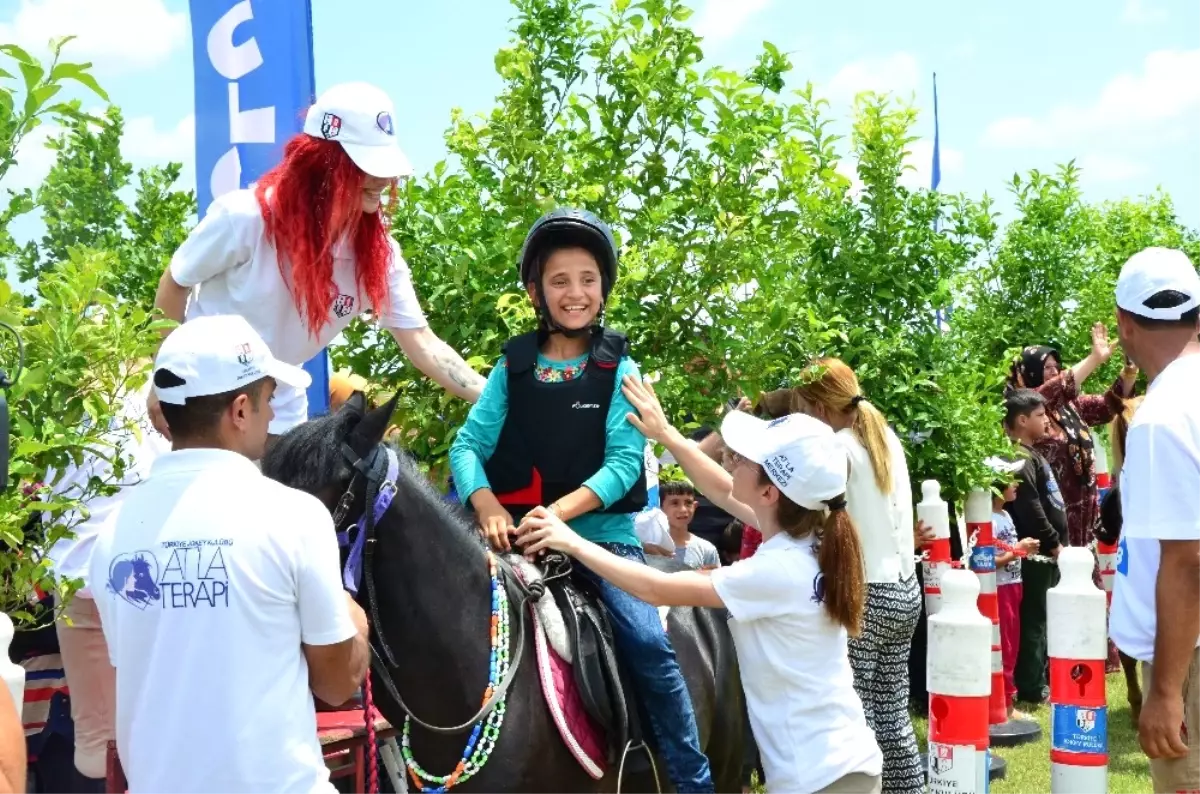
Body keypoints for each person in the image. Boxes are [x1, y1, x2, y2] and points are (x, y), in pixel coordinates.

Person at [447, 209, 714, 793]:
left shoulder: (620, 368)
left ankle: (692, 780)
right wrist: (488, 504)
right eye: (560, 279)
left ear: (604, 287)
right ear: (536, 291)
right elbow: (467, 446)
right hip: (519, 542)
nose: (575, 293)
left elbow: (623, 465)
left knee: (648, 645)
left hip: (603, 543)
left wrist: (558, 517)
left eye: (587, 278)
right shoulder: (511, 367)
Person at [517, 379, 883, 794]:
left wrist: (572, 541)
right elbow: (722, 487)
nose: (733, 459)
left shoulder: (777, 570)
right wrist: (666, 434)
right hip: (843, 764)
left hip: (817, 779)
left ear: (768, 492)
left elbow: (655, 588)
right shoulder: (809, 535)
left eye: (746, 458)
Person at [90, 315, 370, 794]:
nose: (272, 414)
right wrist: (354, 620)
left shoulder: (113, 534)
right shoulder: (293, 517)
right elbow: (337, 683)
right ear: (240, 410)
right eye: (269, 399)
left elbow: (154, 668)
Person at [151, 82, 484, 441]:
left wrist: (501, 400)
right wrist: (165, 380)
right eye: (364, 167)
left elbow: (424, 344)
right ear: (321, 165)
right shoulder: (247, 218)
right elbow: (175, 282)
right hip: (204, 399)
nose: (384, 180)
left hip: (278, 410)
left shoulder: (376, 256)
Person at [791, 358, 922, 794]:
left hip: (867, 594)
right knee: (891, 711)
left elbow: (807, 515)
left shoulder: (837, 450)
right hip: (904, 589)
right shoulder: (886, 438)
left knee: (858, 714)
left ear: (820, 408)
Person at [44, 377, 169, 793]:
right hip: (134, 576)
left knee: (104, 750)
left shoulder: (53, 399)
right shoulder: (155, 392)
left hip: (91, 580)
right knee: (149, 738)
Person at [1108, 247, 1200, 792]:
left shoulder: (1163, 417)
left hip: (1188, 656)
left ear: (1124, 323)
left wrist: (1165, 691)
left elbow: (1188, 561)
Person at [1008, 325, 1138, 550]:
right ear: (1029, 371)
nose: (1053, 371)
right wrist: (1095, 358)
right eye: (1046, 367)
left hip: (1085, 517)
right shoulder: (1030, 405)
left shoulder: (1070, 407)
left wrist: (1130, 369)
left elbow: (1109, 406)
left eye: (1056, 366)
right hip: (1054, 519)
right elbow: (1059, 386)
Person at [1002, 388, 1066, 704]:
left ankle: (1038, 677)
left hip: (1045, 554)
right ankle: (1030, 685)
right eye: (1040, 415)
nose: (1046, 420)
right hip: (1035, 556)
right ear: (1022, 419)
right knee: (1034, 620)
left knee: (1043, 618)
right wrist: (1053, 544)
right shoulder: (1017, 456)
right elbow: (1030, 506)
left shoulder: (1032, 454)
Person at [985, 458, 1040, 720]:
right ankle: (1004, 704)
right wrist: (1017, 551)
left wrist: (1019, 550)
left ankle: (1008, 698)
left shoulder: (1005, 515)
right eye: (1011, 479)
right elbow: (984, 560)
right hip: (1000, 589)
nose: (1016, 484)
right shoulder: (989, 520)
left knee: (1013, 643)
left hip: (1013, 586)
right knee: (1004, 644)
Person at [660, 479, 720, 570]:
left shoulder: (706, 549)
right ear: (660, 507)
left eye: (688, 503)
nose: (683, 509)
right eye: (675, 503)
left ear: (695, 506)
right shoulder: (648, 546)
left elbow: (715, 582)